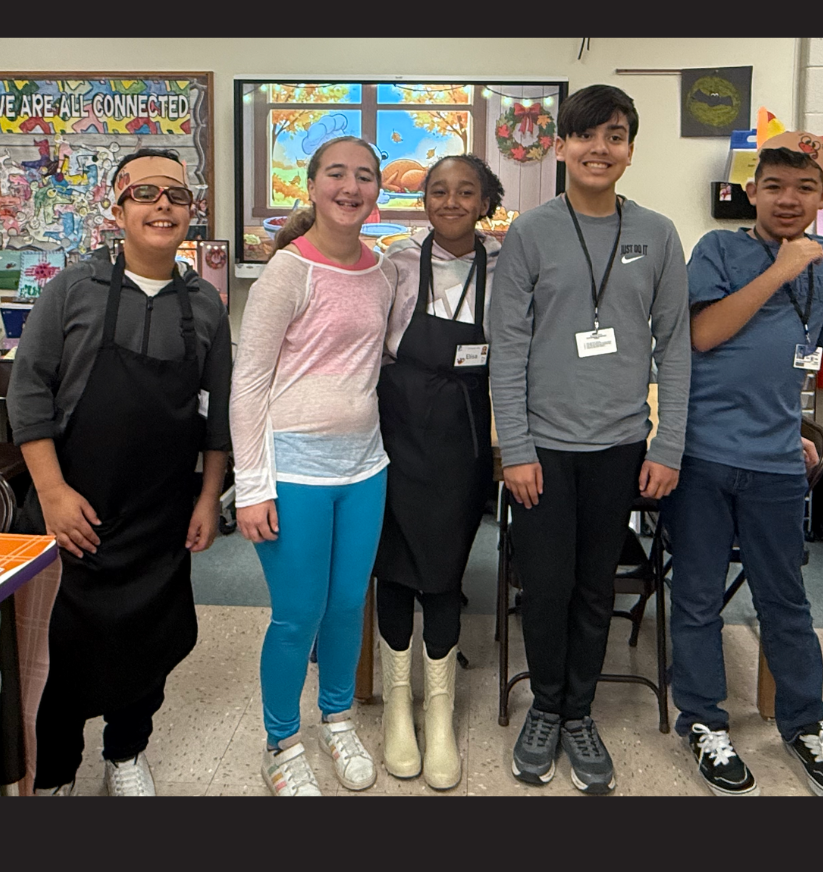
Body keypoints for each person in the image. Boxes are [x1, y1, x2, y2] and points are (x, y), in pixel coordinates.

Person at [7, 148, 232, 796]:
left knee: (148, 647)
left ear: (190, 212)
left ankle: (126, 753)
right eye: (146, 193)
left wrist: (207, 497)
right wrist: (50, 492)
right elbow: (28, 397)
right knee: (61, 657)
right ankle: (53, 775)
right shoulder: (73, 289)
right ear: (118, 207)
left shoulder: (206, 306)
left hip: (161, 516)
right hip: (73, 511)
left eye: (177, 195)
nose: (164, 204)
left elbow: (217, 417)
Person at [489, 84, 691, 793]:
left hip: (621, 447)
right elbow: (507, 348)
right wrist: (514, 448)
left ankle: (580, 713)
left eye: (614, 135)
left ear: (631, 149)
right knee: (544, 588)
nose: (599, 149)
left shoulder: (659, 234)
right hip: (541, 449)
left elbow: (679, 348)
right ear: (561, 146)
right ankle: (546, 705)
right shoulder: (531, 233)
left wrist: (667, 446)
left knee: (595, 588)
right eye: (585, 135)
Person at [661, 130, 823, 797]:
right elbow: (702, 333)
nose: (788, 199)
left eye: (805, 188)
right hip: (704, 453)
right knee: (696, 597)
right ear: (752, 192)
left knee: (785, 599)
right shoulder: (719, 249)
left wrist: (797, 429)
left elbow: (807, 349)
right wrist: (782, 267)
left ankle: (806, 723)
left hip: (776, 460)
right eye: (773, 186)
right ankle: (705, 722)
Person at [231, 136, 397, 796]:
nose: (350, 187)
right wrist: (252, 487)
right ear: (312, 185)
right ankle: (282, 741)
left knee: (347, 605)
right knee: (298, 613)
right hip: (294, 470)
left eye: (364, 176)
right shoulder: (287, 272)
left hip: (365, 469)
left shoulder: (382, 270)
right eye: (337, 174)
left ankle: (336, 718)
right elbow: (248, 382)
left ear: (378, 191)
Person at [374, 154, 504, 789]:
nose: (450, 201)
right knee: (393, 567)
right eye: (438, 191)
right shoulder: (394, 264)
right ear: (423, 200)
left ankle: (441, 710)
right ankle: (400, 708)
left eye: (465, 191)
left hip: (462, 437)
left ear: (485, 201)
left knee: (445, 571)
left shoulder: (507, 268)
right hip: (395, 429)